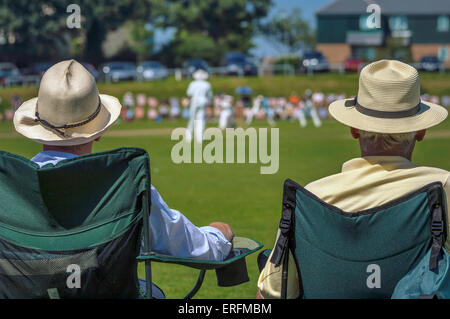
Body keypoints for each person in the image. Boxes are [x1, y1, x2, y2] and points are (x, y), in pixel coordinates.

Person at [257, 59, 450, 299]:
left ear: (354, 129)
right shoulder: (442, 187)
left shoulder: (311, 198)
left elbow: (272, 293)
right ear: (421, 131)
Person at [13, 60, 234, 265]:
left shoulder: (11, 186)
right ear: (98, 133)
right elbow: (186, 244)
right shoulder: (124, 187)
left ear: (37, 127)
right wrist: (219, 236)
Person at [186, 69, 212, 143]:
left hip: (194, 101)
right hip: (203, 101)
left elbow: (189, 93)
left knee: (192, 119)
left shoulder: (192, 83)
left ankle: (189, 136)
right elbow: (210, 95)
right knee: (201, 120)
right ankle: (200, 138)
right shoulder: (207, 84)